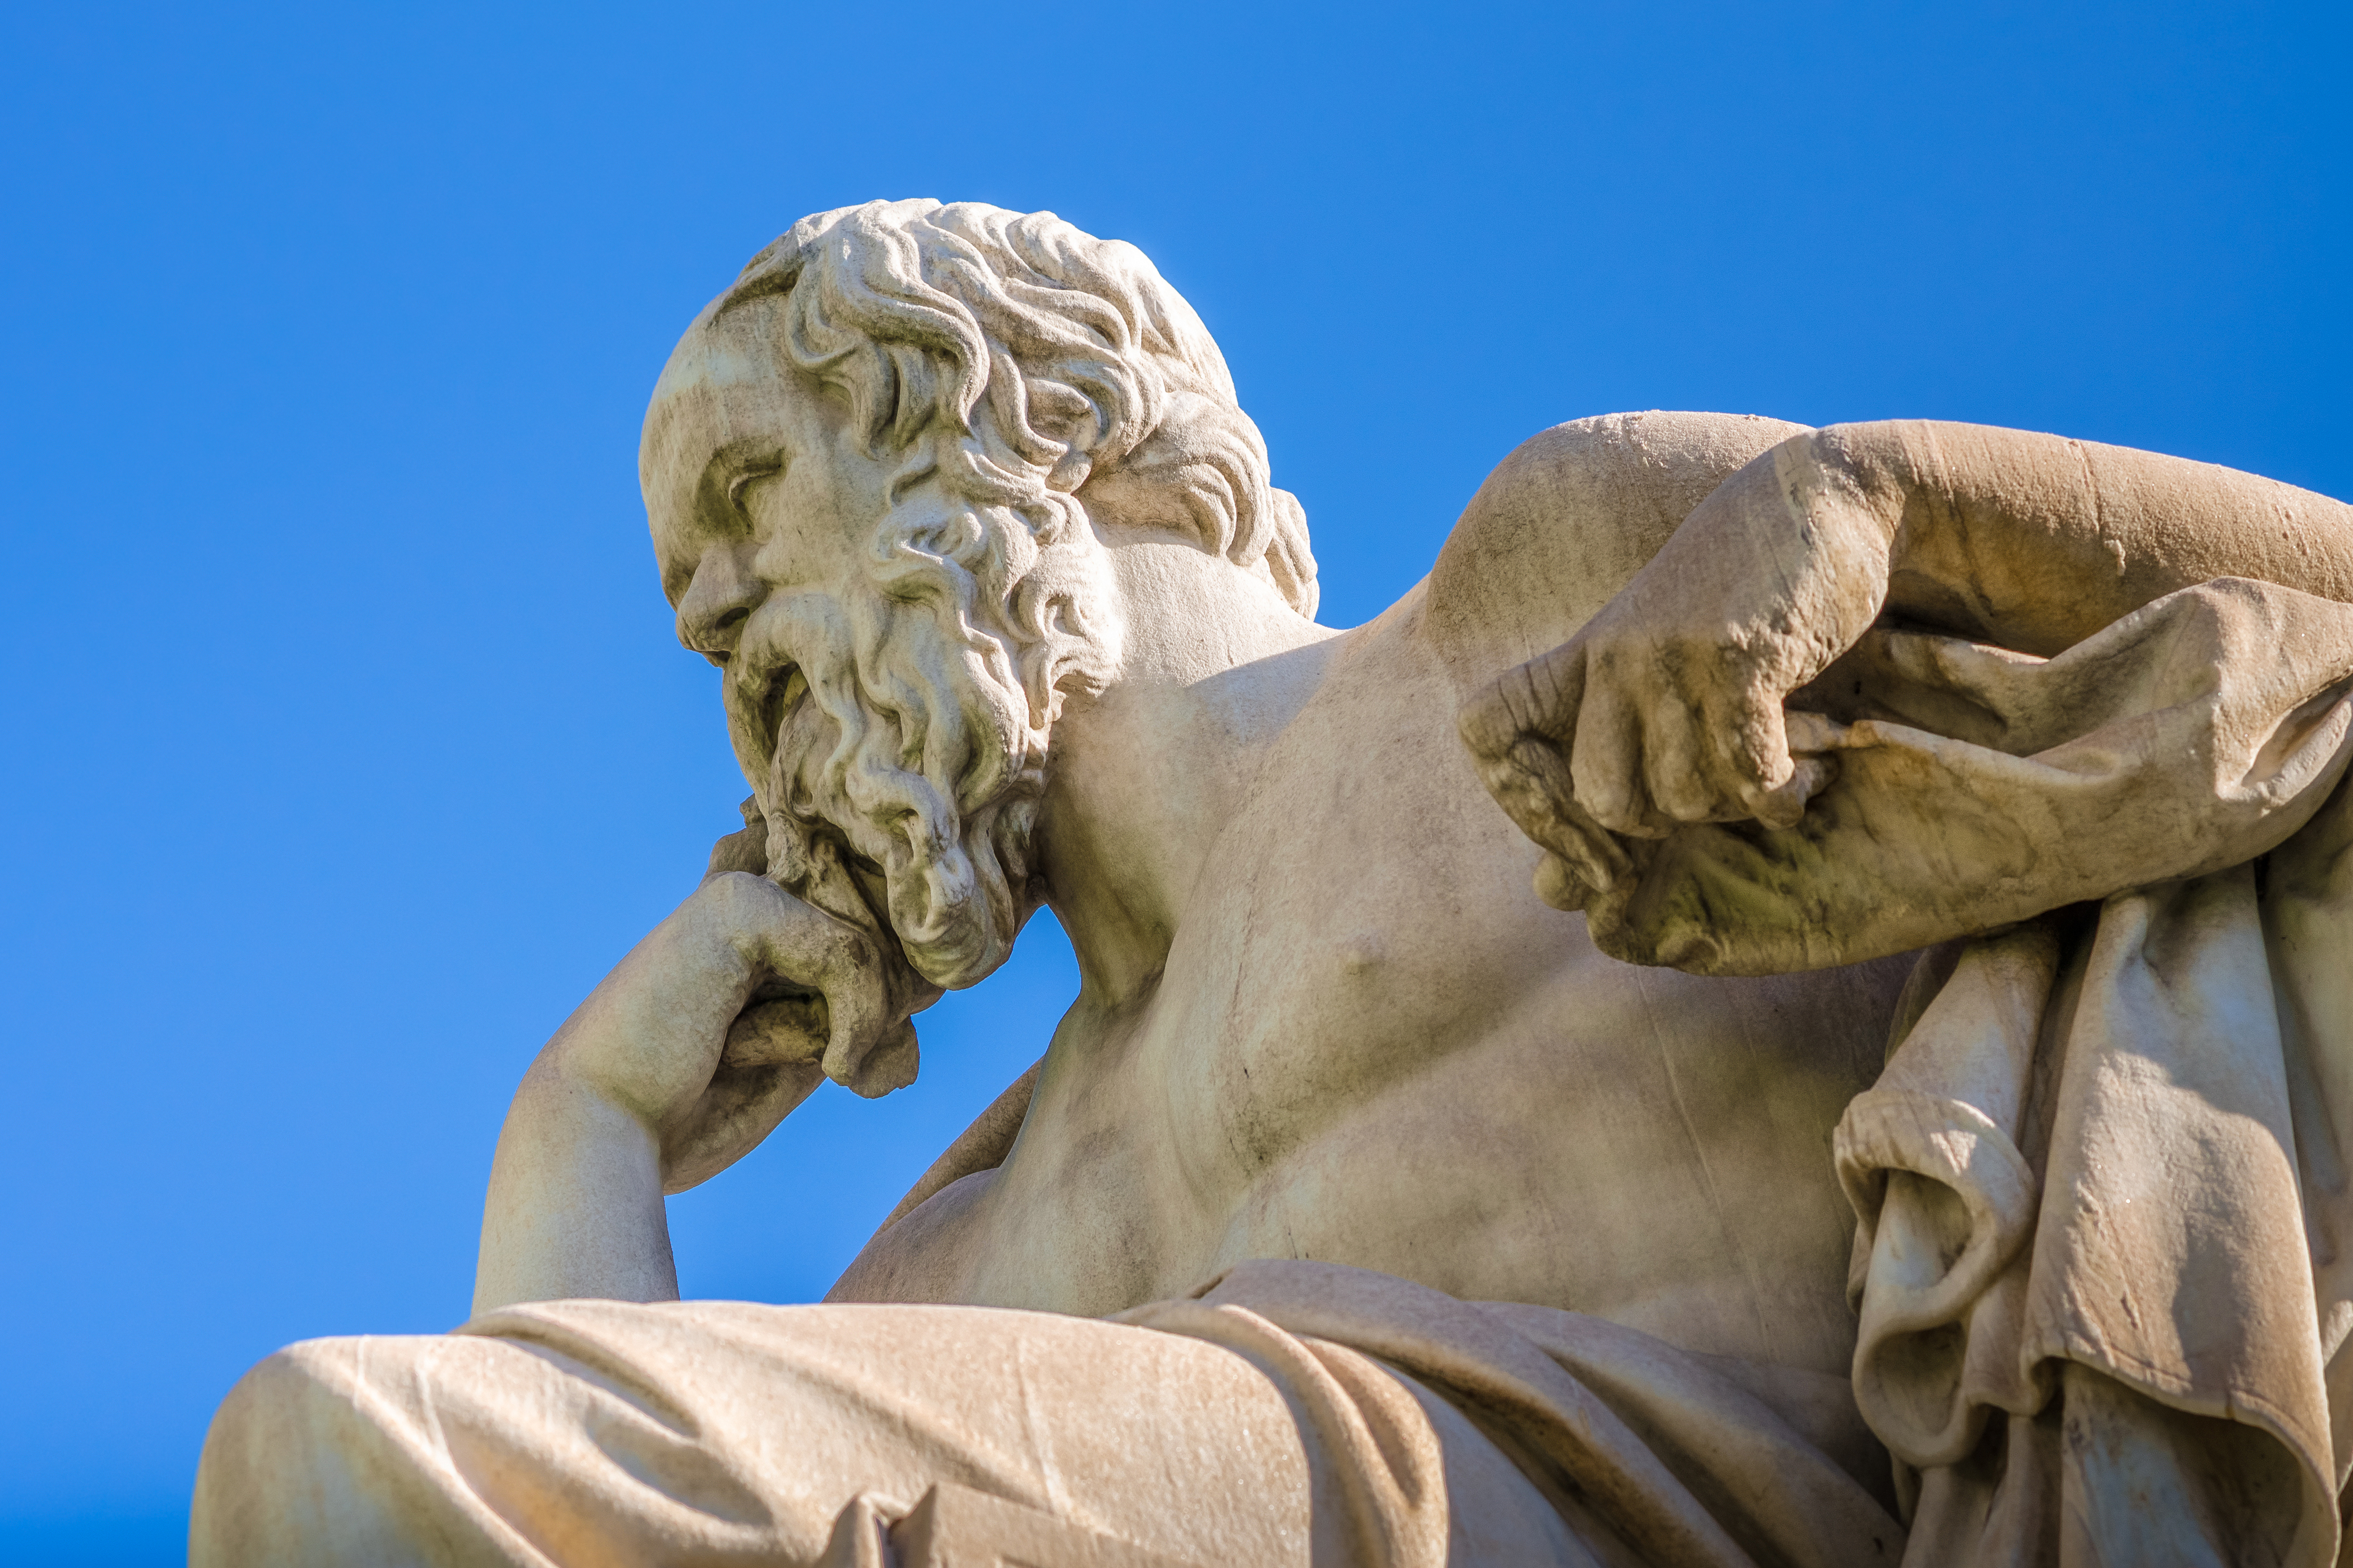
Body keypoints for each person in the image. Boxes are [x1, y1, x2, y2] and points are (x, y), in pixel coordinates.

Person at [193, 200, 2353, 1566]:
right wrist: (582, 1124)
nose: (707, 626)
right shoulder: (964, 1245)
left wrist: (1899, 501)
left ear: (1033, 425)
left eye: (751, 491)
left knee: (341, 1449)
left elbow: (2322, 634)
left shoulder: (1532, 602)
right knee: (343, 1482)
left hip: (1645, 1498)